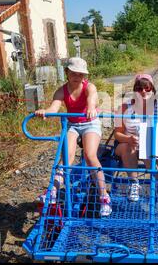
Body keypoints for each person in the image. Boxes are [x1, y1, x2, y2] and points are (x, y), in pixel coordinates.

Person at [35, 57, 111, 217]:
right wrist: (44, 112)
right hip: (72, 125)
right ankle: (53, 192)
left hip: (90, 123)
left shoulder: (89, 87)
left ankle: (104, 196)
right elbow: (54, 108)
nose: (77, 76)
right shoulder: (61, 90)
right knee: (66, 159)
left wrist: (90, 107)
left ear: (85, 76)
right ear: (67, 73)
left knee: (89, 155)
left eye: (80, 74)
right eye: (73, 73)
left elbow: (92, 98)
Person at [114, 74, 158, 202]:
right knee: (129, 146)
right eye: (139, 88)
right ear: (135, 91)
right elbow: (118, 133)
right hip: (127, 144)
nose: (143, 91)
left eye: (147, 88)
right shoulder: (123, 108)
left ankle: (156, 180)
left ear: (152, 90)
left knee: (148, 146)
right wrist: (129, 139)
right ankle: (134, 183)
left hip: (148, 144)